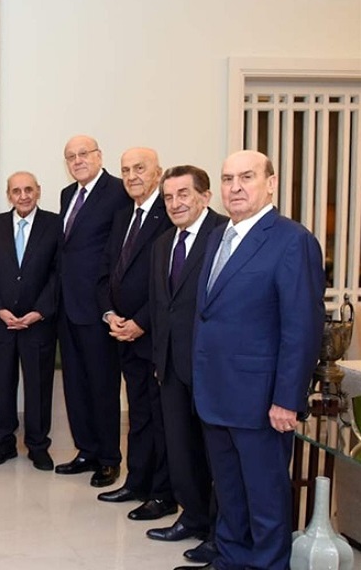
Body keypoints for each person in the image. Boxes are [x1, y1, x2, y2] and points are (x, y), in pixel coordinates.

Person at [185, 150, 323, 570]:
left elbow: (301, 327)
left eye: (247, 177)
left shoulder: (291, 240)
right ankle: (231, 559)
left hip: (261, 401)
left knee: (265, 498)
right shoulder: (217, 237)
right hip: (215, 394)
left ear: (271, 183)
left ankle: (268, 564)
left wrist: (287, 399)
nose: (235, 187)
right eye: (228, 179)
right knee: (229, 494)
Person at [147, 165, 225, 567]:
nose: (175, 203)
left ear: (205, 196)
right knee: (181, 449)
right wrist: (159, 358)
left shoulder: (224, 236)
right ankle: (192, 516)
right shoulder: (163, 243)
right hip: (171, 365)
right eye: (168, 197)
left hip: (210, 366)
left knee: (216, 455)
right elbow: (161, 307)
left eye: (183, 194)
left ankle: (218, 532)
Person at [95, 148, 176, 521]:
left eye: (140, 168)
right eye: (126, 170)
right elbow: (107, 271)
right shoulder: (124, 214)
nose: (131, 176)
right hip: (122, 333)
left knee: (161, 417)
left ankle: (163, 494)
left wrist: (140, 322)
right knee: (139, 413)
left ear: (158, 172)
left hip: (153, 335)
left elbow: (169, 283)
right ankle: (137, 481)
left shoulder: (168, 214)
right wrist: (110, 314)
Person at [54, 135, 131, 488]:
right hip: (68, 306)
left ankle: (109, 458)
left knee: (102, 385)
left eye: (83, 154)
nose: (77, 160)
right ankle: (86, 450)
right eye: (71, 156)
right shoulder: (67, 195)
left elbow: (119, 251)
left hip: (99, 307)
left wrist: (110, 304)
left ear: (99, 156)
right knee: (76, 385)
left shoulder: (117, 192)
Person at [0, 171, 61, 470]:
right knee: (2, 384)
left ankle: (37, 445)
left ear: (38, 191)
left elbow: (58, 273)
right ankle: (3, 442)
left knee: (38, 387)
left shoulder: (55, 224)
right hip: (1, 322)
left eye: (28, 190)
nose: (23, 196)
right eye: (16, 191)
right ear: (8, 195)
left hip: (38, 322)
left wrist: (40, 311)